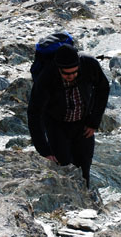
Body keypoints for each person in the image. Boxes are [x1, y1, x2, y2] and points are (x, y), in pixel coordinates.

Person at [27, 41, 109, 187]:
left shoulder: (89, 64)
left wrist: (93, 122)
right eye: (66, 73)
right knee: (64, 166)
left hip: (83, 123)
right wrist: (44, 150)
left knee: (84, 166)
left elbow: (103, 88)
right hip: (56, 125)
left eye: (74, 72)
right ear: (58, 69)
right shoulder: (46, 77)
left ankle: (86, 202)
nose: (71, 76)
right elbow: (34, 113)